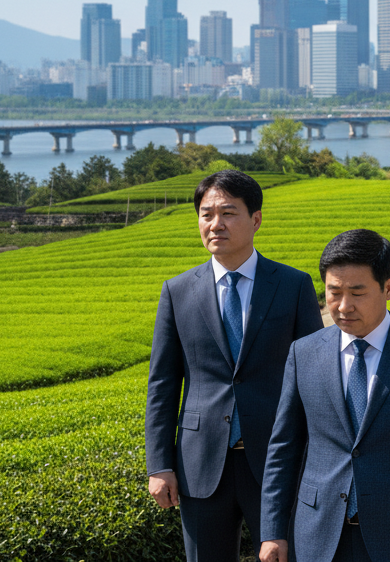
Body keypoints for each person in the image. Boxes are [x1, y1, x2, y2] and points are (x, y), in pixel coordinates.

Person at [258, 229, 390, 562]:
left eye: (357, 292)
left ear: (388, 288)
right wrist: (272, 531)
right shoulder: (304, 353)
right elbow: (283, 448)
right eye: (334, 292)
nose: (343, 306)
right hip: (318, 534)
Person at [145, 169, 324, 561]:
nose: (216, 224)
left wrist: (320, 458)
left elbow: (317, 377)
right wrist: (159, 465)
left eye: (228, 213)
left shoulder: (292, 285)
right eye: (206, 214)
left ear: (255, 219)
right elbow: (163, 383)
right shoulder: (177, 291)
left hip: (277, 461)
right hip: (201, 462)